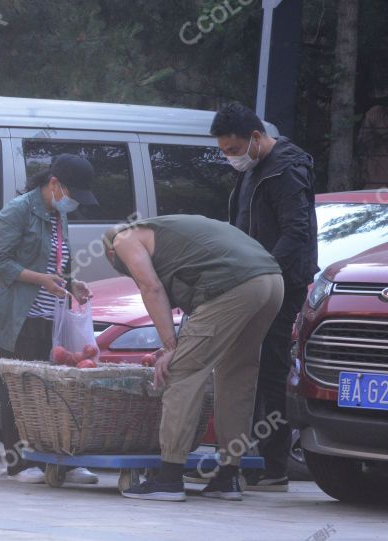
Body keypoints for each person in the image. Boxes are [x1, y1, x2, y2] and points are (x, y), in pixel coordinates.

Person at [105, 215, 284, 502]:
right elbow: (199, 309)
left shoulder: (123, 239)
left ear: (111, 253)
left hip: (234, 285)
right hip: (271, 281)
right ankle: (228, 477)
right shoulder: (175, 234)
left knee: (183, 372)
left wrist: (169, 348)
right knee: (237, 375)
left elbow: (151, 288)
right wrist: (175, 343)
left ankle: (169, 478)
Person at [0, 154, 99, 485]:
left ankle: (58, 459)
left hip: (47, 315)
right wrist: (41, 280)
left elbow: (57, 262)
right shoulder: (18, 211)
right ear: (54, 185)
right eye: (72, 195)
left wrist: (71, 284)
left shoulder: (58, 214)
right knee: (18, 387)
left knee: (50, 389)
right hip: (15, 315)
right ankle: (18, 462)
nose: (74, 204)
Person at [210, 103, 318, 492]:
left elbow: (296, 232)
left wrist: (264, 271)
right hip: (252, 280)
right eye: (224, 151)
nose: (230, 157)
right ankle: (246, 459)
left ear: (256, 138)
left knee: (270, 369)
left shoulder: (285, 169)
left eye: (234, 149)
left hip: (279, 284)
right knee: (245, 367)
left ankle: (273, 466)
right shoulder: (253, 169)